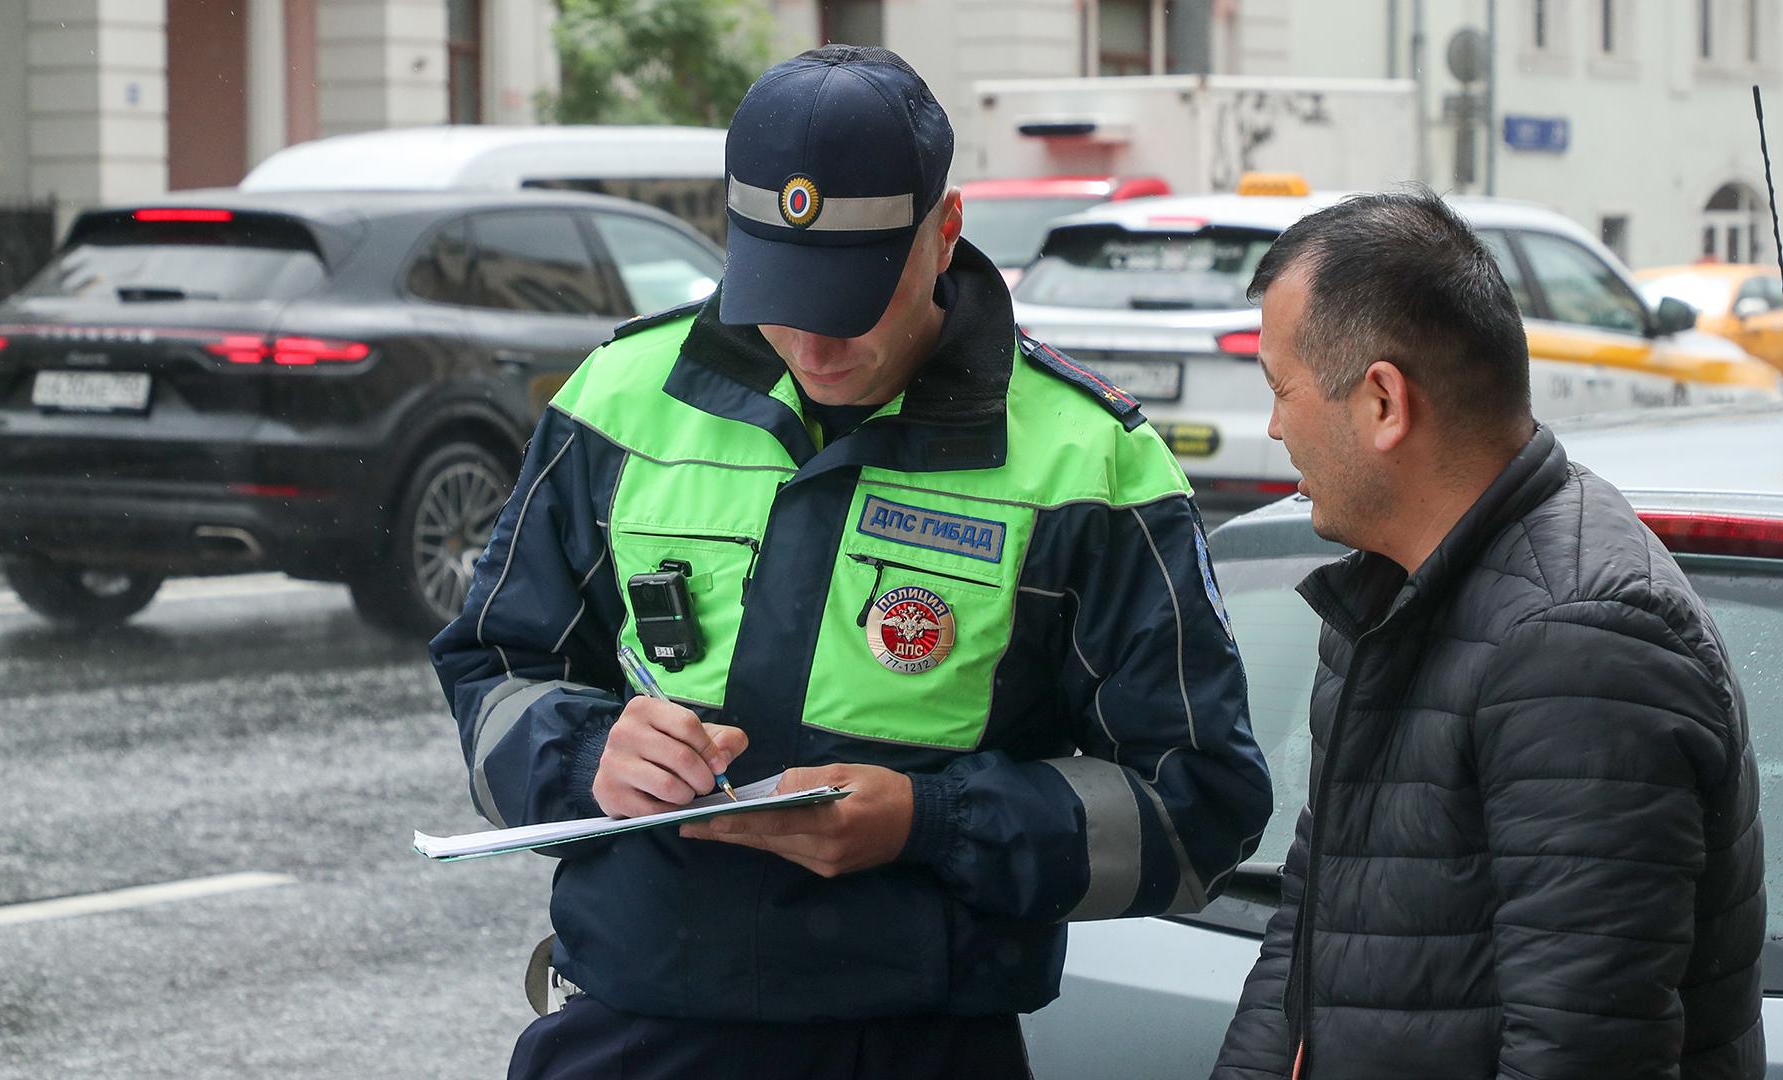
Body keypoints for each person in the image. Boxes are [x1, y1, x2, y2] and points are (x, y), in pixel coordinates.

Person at [428, 46, 1273, 1080]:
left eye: (853, 297)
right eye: (781, 291)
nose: (816, 344)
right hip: (631, 1029)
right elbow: (491, 668)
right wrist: (587, 755)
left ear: (944, 231)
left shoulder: (1089, 462)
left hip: (916, 1048)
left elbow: (1202, 808)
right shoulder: (620, 400)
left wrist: (931, 823)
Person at [1211, 190, 1765, 1080]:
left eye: (1282, 390)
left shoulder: (1581, 641)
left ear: (1384, 401)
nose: (1275, 427)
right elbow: (1306, 947)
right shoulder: (1388, 593)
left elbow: (1582, 1054)